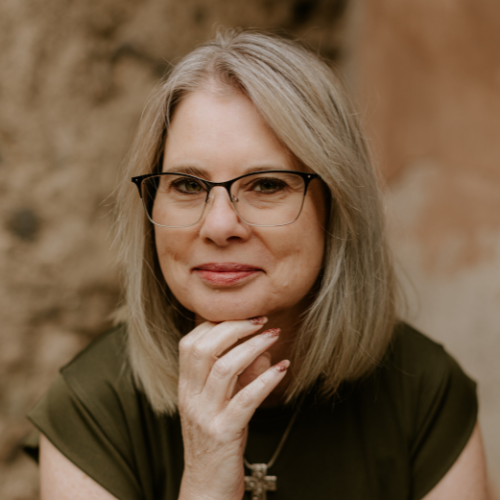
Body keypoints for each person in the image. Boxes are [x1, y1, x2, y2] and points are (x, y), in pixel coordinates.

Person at [26, 30, 489, 500]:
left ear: (337, 208)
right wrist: (206, 476)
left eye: (266, 185)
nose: (220, 225)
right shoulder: (90, 405)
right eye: (187, 185)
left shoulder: (424, 389)